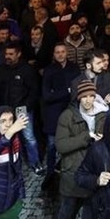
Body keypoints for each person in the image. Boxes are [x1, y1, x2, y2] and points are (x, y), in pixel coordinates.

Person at [54, 79, 106, 219]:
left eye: (91, 96)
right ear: (79, 97)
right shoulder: (67, 116)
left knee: (89, 216)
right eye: (84, 96)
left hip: (93, 173)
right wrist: (86, 137)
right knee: (66, 213)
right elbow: (61, 145)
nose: (88, 100)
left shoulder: (103, 115)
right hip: (73, 173)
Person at [0, 42, 44, 174]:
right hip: (5, 111)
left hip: (22, 110)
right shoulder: (0, 70)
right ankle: (14, 164)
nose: (7, 56)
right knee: (8, 138)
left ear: (18, 54)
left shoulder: (27, 70)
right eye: (6, 54)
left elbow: (34, 91)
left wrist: (25, 107)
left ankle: (35, 163)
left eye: (11, 54)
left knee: (29, 137)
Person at [41, 42, 80, 187]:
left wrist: (57, 93)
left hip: (71, 111)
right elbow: (46, 96)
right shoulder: (49, 70)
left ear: (67, 52)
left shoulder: (74, 68)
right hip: (53, 113)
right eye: (57, 52)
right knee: (51, 146)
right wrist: (67, 91)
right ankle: (50, 174)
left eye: (63, 51)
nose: (60, 54)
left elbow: (77, 90)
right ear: (54, 54)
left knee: (71, 144)